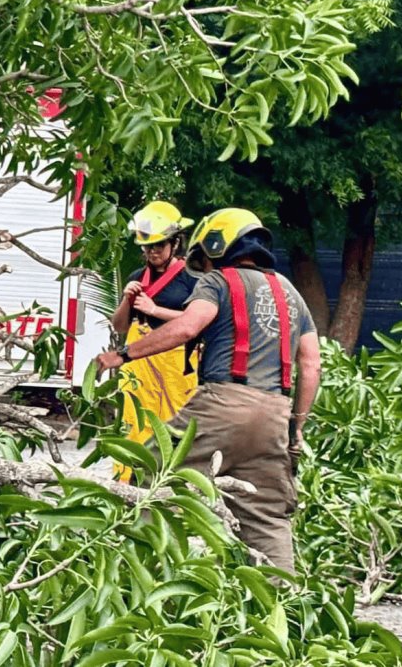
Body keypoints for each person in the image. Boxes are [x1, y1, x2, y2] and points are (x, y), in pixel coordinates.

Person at [96, 208, 321, 572]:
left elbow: (188, 327)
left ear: (219, 243)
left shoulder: (217, 282)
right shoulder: (290, 291)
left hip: (223, 402)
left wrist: (124, 354)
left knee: (149, 471)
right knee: (266, 517)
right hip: (275, 414)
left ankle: (136, 577)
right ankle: (284, 610)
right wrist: (295, 428)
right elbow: (311, 365)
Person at [112, 201, 199, 449]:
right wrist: (128, 301)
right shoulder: (137, 277)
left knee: (177, 424)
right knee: (137, 422)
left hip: (177, 364)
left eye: (159, 245)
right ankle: (130, 480)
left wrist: (154, 310)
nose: (153, 251)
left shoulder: (191, 279)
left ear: (175, 243)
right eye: (147, 246)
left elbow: (198, 322)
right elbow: (119, 327)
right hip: (140, 364)